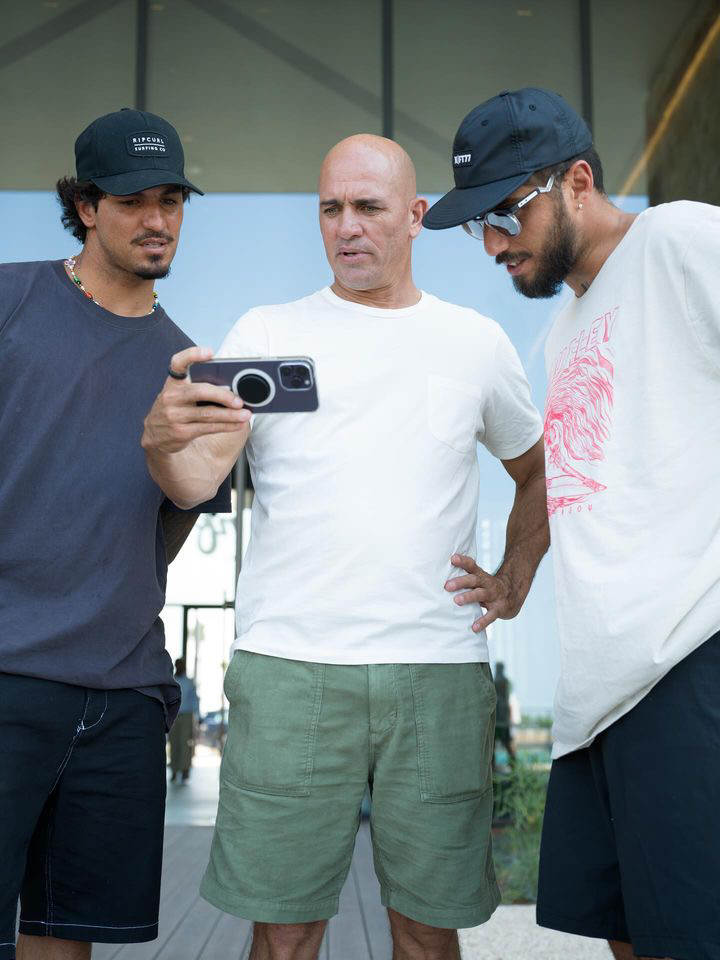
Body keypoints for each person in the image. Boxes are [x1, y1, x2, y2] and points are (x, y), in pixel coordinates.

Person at [142, 134, 549, 960]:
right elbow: (193, 486)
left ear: (415, 215)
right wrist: (161, 439)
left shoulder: (474, 343)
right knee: (285, 931)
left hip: (436, 673)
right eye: (330, 208)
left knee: (427, 933)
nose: (346, 227)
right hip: (290, 668)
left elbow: (538, 469)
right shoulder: (266, 331)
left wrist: (515, 578)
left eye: (367, 207)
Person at [426, 87, 720, 960]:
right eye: (476, 225)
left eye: (505, 214)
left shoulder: (679, 240)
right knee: (628, 940)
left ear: (579, 181)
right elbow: (569, 474)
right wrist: (518, 574)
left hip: (689, 659)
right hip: (601, 696)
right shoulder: (563, 331)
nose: (490, 245)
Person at [0, 108, 229, 960]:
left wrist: (192, 460)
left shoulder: (189, 373)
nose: (158, 219)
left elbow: (161, 538)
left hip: (123, 693)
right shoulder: (10, 298)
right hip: (7, 673)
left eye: (171, 199)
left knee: (66, 943)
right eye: (134, 200)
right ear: (86, 206)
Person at [169, 658, 200, 782]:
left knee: (185, 743)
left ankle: (185, 769)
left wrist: (197, 717)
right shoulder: (171, 680)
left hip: (186, 715)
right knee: (174, 743)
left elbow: (194, 700)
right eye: (179, 665)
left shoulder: (189, 682)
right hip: (173, 716)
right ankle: (174, 770)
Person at [492, 662, 516, 767]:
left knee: (496, 747)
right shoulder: (504, 682)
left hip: (500, 721)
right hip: (500, 721)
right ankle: (512, 766)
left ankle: (511, 766)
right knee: (504, 746)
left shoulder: (497, 681)